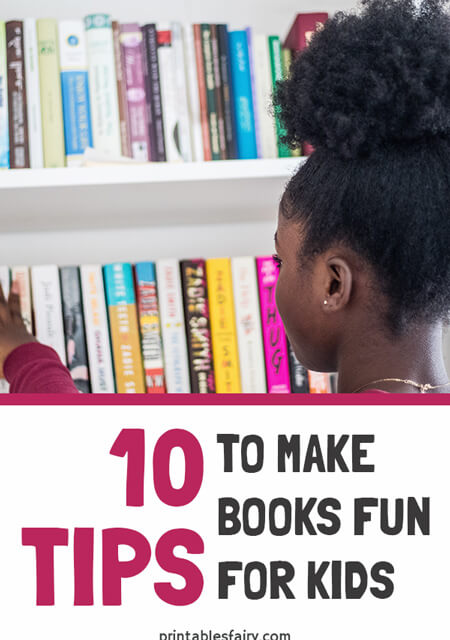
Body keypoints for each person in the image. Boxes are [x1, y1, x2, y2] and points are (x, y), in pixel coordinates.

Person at [1, 0, 450, 394]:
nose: (275, 282)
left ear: (333, 284)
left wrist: (22, 354)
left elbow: (92, 461)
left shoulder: (315, 454)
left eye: (280, 262)